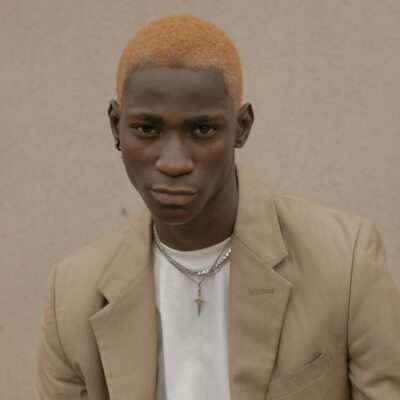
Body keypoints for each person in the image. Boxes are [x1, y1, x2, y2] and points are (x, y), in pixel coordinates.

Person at [33, 14, 400, 400]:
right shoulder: (71, 293)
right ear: (115, 126)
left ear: (241, 127)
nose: (174, 163)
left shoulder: (346, 261)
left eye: (202, 129)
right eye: (147, 129)